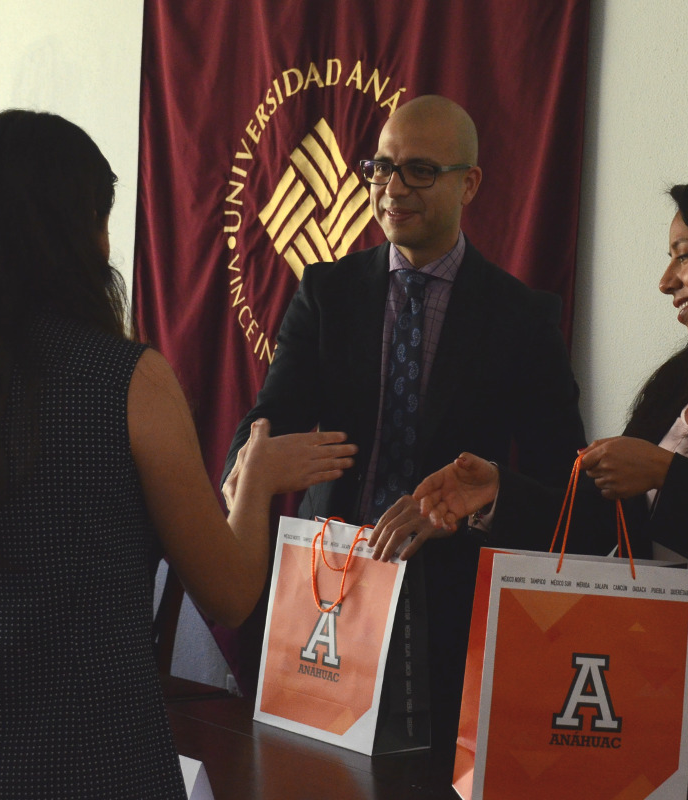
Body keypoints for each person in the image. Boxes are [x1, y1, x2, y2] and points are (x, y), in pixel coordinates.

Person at [0, 110, 355, 799]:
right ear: (77, 234)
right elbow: (231, 594)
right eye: (101, 219)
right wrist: (258, 481)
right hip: (96, 768)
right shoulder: (127, 380)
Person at [411, 170, 688, 799]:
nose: (666, 281)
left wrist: (670, 477)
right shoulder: (679, 384)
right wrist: (499, 493)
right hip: (648, 703)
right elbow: (599, 528)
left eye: (684, 255)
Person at [222, 95, 588, 767]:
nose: (393, 188)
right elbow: (263, 427)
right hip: (327, 598)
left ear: (468, 184)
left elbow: (564, 485)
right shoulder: (327, 293)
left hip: (452, 615)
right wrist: (253, 466)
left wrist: (484, 500)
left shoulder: (521, 317)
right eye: (381, 167)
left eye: (420, 170)